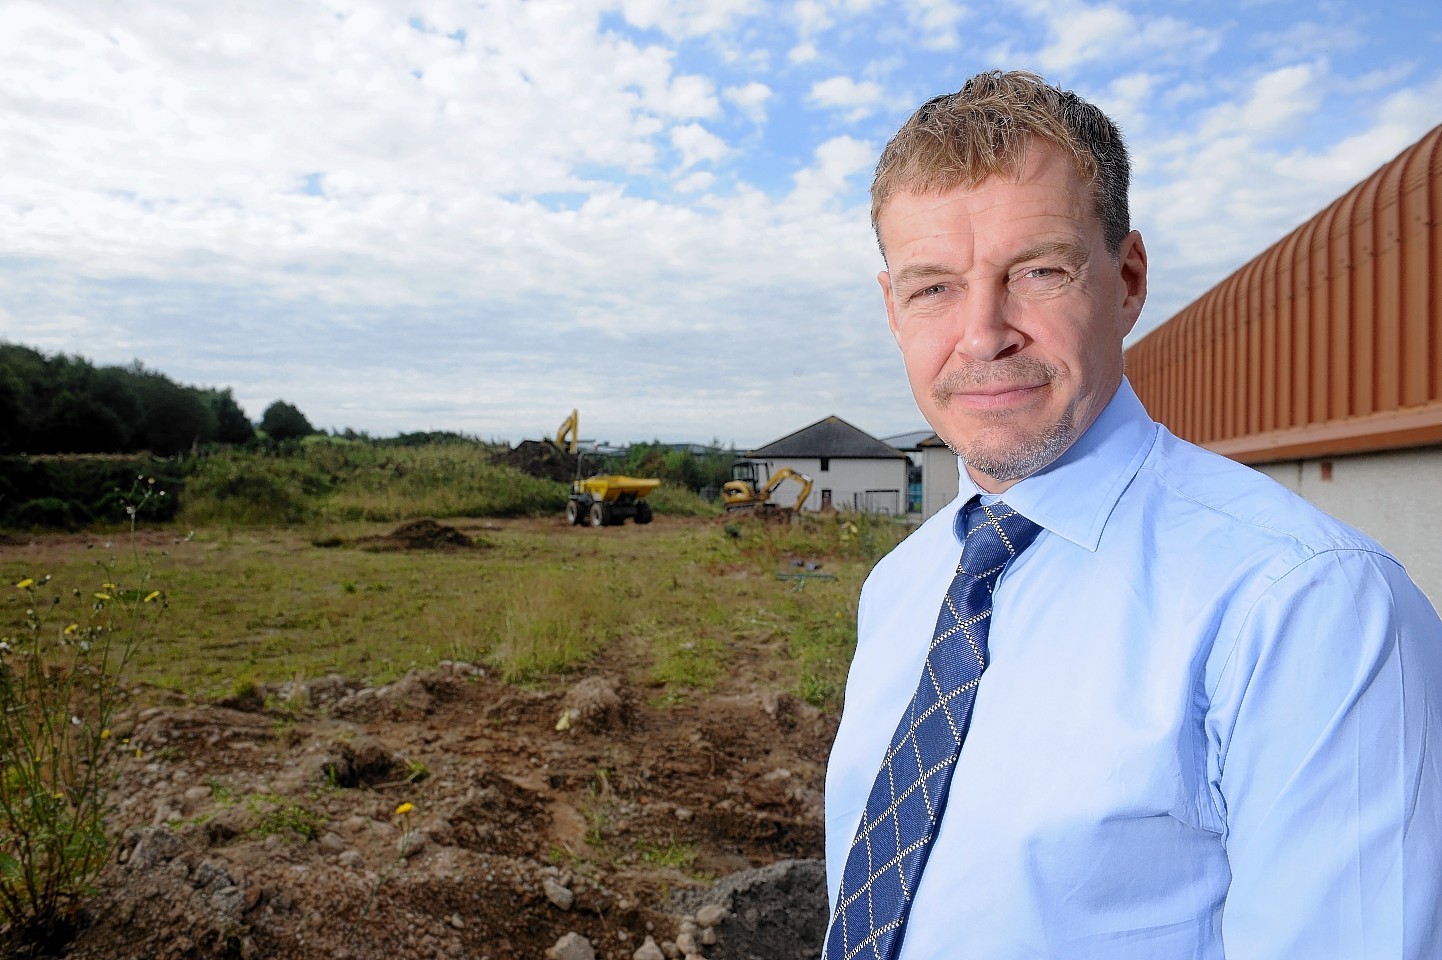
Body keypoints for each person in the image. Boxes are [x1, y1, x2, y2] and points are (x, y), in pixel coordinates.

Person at [823, 70, 1442, 959]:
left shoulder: (1309, 606)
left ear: (1128, 279)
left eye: (1038, 271)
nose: (984, 333)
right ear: (892, 309)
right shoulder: (902, 585)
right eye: (934, 288)